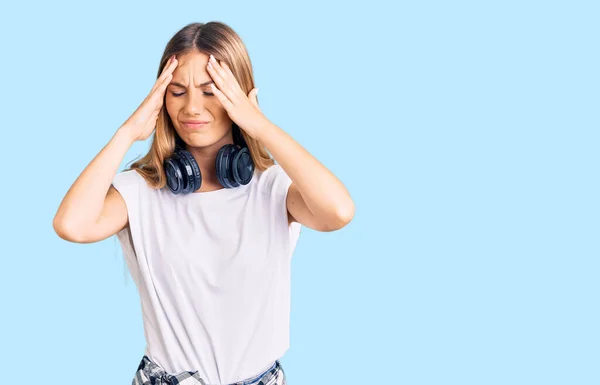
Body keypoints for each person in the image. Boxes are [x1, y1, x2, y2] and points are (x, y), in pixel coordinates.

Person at [53, 21, 355, 385]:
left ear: (238, 97)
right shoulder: (139, 191)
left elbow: (338, 212)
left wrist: (260, 126)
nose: (191, 108)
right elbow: (72, 225)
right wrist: (127, 133)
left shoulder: (274, 188)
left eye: (210, 92)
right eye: (177, 92)